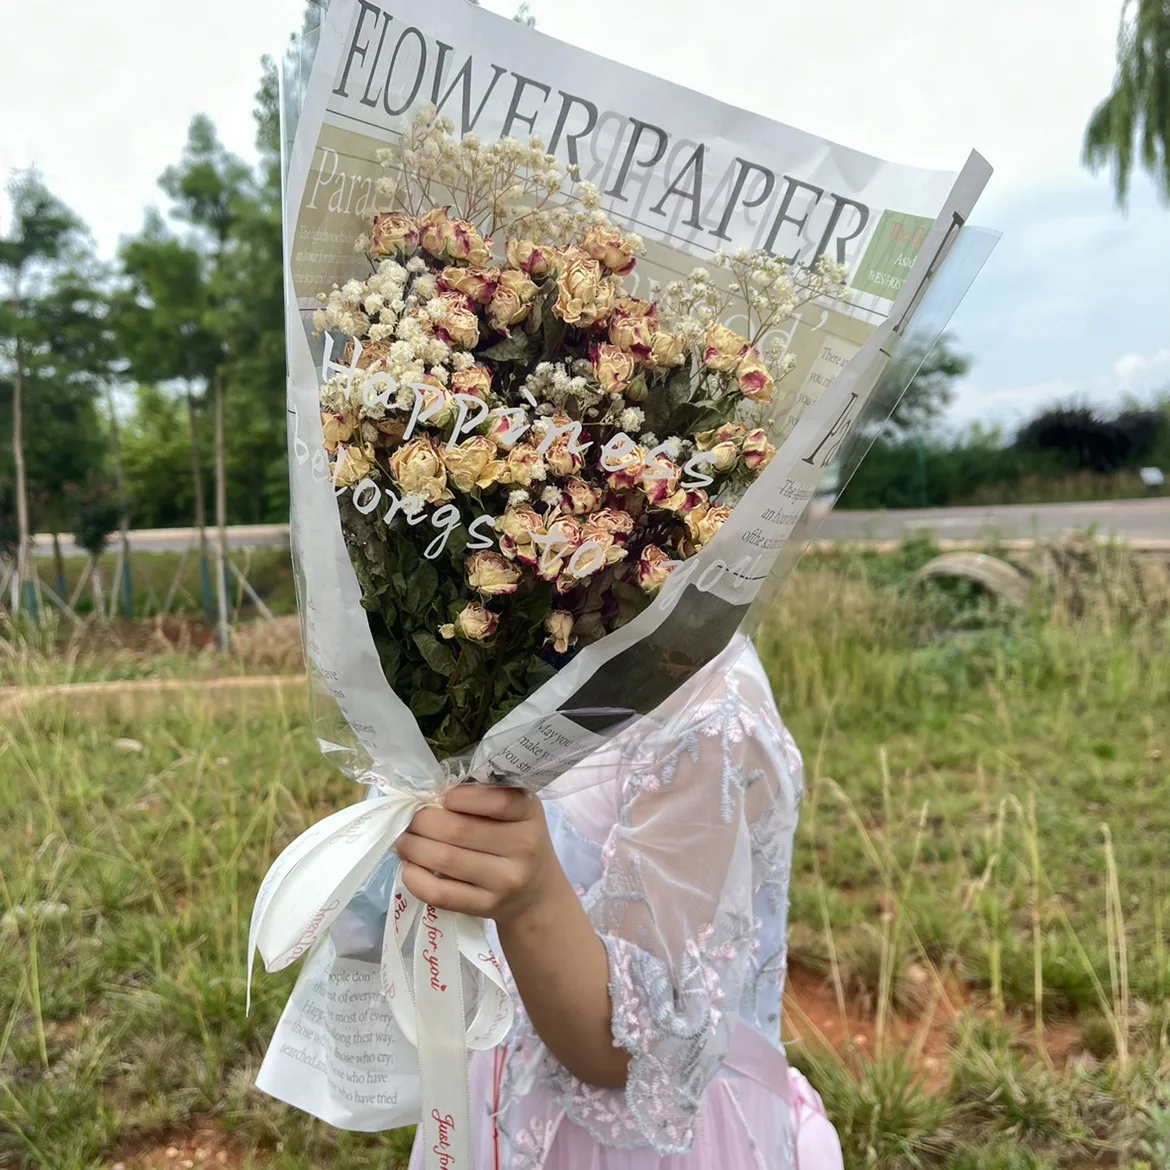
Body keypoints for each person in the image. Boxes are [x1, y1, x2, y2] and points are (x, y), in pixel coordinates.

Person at [394, 636, 844, 1170]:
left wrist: (533, 899)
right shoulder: (539, 656)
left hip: (644, 1142)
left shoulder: (707, 721)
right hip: (507, 1079)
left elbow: (631, 1052)